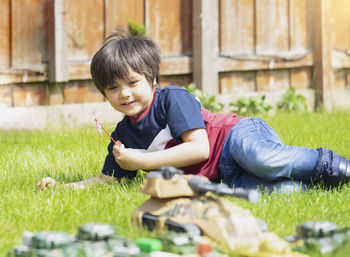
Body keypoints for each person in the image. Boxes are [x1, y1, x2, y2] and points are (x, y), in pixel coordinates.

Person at [37, 29, 350, 193]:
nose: (124, 93)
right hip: (222, 177)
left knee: (262, 159)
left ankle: (338, 167)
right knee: (281, 193)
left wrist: (143, 161)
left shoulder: (172, 98)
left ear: (152, 79)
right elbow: (109, 181)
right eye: (112, 88)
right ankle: (319, 184)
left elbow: (200, 149)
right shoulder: (123, 136)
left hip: (234, 139)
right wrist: (63, 186)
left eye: (132, 82)